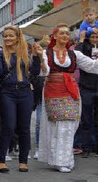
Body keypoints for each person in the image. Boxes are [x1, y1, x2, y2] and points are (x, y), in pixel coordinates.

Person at [38, 23, 98, 173]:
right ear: (55, 36)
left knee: (70, 125)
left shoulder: (74, 54)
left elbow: (92, 66)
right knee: (56, 126)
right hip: (53, 90)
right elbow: (43, 72)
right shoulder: (47, 53)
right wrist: (40, 57)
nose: (65, 36)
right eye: (62, 33)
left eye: (67, 33)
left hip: (71, 92)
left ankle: (65, 159)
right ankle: (58, 160)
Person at [0, 26, 41, 173]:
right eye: (5, 36)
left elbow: (35, 72)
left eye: (10, 36)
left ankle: (23, 161)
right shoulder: (2, 54)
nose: (7, 38)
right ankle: (0, 160)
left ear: (17, 37)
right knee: (8, 126)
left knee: (24, 128)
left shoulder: (26, 53)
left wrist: (36, 56)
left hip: (25, 92)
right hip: (7, 92)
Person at [76, 31, 98, 157]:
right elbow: (76, 54)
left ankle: (96, 146)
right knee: (86, 118)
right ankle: (86, 146)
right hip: (86, 87)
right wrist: (81, 39)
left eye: (97, 37)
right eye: (92, 37)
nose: (95, 39)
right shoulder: (84, 49)